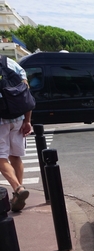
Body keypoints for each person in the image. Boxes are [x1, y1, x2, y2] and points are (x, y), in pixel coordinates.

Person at [0, 56, 33, 212]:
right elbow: (25, 92)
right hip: (18, 117)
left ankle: (18, 189)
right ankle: (17, 196)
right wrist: (27, 120)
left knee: (1, 157)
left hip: (1, 120)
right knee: (15, 156)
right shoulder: (10, 63)